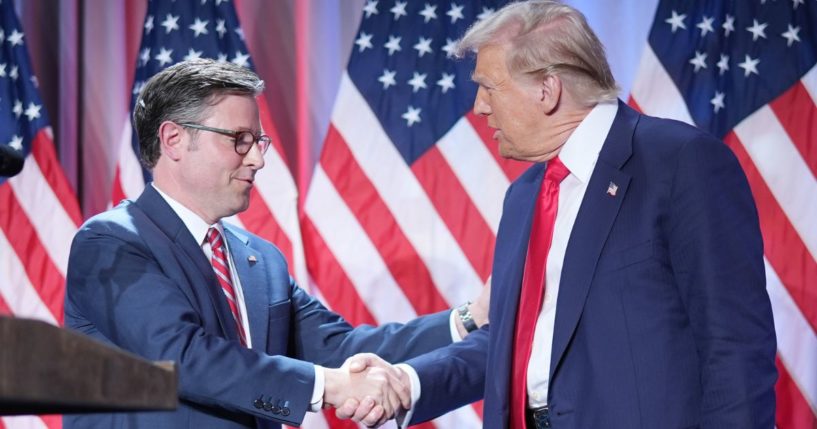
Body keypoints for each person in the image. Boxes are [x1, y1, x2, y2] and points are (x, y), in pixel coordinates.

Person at [342, 1, 778, 428]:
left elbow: (734, 343)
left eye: (489, 87)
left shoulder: (678, 163)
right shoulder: (525, 196)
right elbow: (516, 341)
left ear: (547, 90)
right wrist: (409, 382)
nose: (478, 107)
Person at [63, 58, 488, 429]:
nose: (257, 159)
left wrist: (467, 318)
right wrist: (328, 386)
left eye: (257, 141)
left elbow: (340, 349)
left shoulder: (259, 260)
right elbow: (183, 356)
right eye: (239, 139)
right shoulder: (110, 242)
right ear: (173, 139)